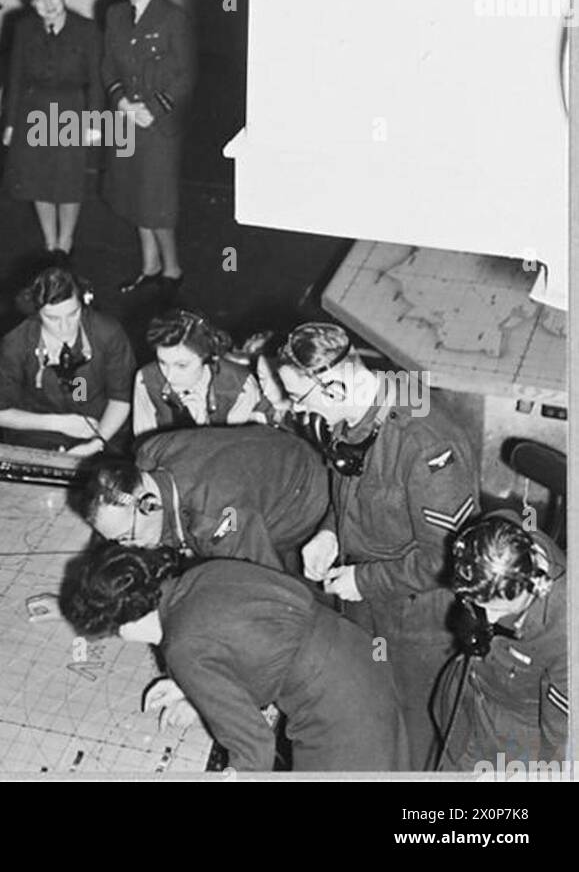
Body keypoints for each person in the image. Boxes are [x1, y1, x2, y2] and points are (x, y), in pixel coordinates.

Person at [269, 320, 480, 768]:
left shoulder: (425, 444)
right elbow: (349, 483)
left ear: (334, 384)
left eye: (298, 397)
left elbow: (448, 557)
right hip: (366, 600)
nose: (296, 409)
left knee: (414, 725)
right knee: (372, 702)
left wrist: (363, 580)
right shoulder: (352, 413)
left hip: (418, 621)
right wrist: (329, 531)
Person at [61, 544, 409, 772]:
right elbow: (244, 636)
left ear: (124, 625)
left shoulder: (185, 651)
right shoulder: (197, 575)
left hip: (341, 712)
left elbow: (255, 748)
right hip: (360, 657)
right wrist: (193, 685)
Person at [72, 423, 328, 575]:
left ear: (149, 505)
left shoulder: (214, 522)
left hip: (304, 494)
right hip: (273, 449)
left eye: (127, 537)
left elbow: (265, 582)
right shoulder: (149, 451)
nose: (127, 547)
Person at [435, 513, 567, 771]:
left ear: (532, 587)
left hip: (514, 745)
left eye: (496, 609)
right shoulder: (497, 537)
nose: (489, 620)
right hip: (465, 701)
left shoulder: (566, 632)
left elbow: (562, 739)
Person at [101, 0, 195, 296]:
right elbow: (108, 64)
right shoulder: (115, 15)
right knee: (133, 195)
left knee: (158, 201)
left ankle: (172, 272)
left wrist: (151, 109)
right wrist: (121, 102)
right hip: (126, 120)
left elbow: (186, 75)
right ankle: (149, 267)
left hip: (158, 125)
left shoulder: (172, 17)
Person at [2, 0, 103, 257]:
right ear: (30, 3)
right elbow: (15, 78)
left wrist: (95, 124)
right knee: (38, 180)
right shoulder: (22, 29)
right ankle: (50, 242)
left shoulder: (87, 30)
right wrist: (9, 124)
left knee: (69, 181)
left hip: (73, 110)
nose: (48, 4)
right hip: (34, 112)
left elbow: (97, 81)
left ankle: (66, 242)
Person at [0, 265, 134, 455]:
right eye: (52, 318)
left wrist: (95, 444)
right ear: (37, 312)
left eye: (73, 314)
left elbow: (120, 399)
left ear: (84, 303)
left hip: (100, 427)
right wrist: (60, 423)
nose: (64, 327)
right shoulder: (13, 346)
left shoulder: (108, 333)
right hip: (40, 430)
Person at [131, 309, 271, 438]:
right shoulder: (145, 379)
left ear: (206, 356)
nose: (169, 376)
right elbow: (144, 447)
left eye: (182, 365)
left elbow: (234, 455)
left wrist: (201, 425)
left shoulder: (241, 387)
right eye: (162, 362)